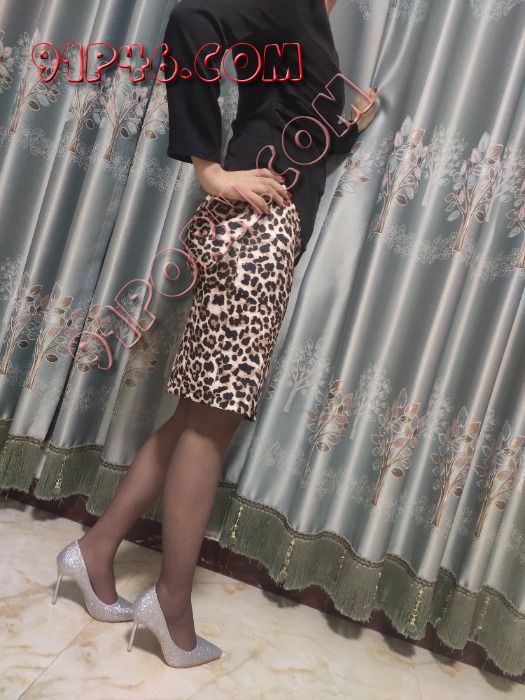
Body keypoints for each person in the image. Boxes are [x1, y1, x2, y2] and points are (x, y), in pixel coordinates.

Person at [52, 0, 379, 668]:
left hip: (258, 233)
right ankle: (172, 605)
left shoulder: (305, 21)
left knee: (195, 418)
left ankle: (93, 552)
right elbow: (191, 19)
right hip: (257, 235)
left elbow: (282, 126)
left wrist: (345, 130)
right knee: (210, 424)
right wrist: (209, 168)